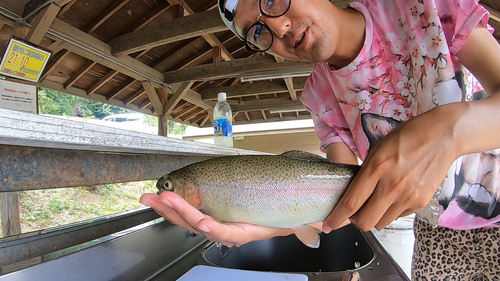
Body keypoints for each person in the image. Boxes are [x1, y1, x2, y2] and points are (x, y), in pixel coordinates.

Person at [140, 0, 500, 279]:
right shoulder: (318, 96)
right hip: (436, 231)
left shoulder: (422, 6)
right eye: (258, 33)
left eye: (272, 0)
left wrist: (448, 131)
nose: (278, 27)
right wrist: (275, 224)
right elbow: (345, 197)